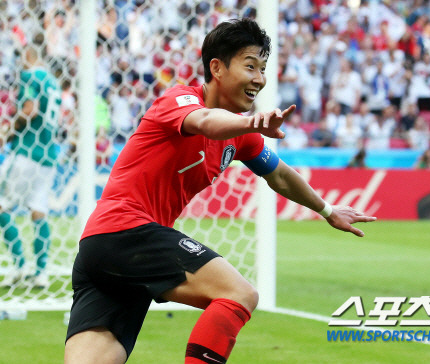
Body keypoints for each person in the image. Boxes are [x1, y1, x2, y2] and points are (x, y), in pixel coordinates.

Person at [64, 19, 376, 364]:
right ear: (217, 67)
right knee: (239, 294)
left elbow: (281, 175)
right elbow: (206, 124)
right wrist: (252, 122)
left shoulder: (241, 134)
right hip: (124, 230)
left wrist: (328, 211)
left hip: (106, 251)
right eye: (250, 66)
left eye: (263, 68)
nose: (259, 78)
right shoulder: (179, 99)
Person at [0, 46, 60, 289]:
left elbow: (29, 109)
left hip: (26, 152)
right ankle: (41, 272)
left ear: (27, 56)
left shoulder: (30, 76)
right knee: (38, 211)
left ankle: (20, 266)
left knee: (1, 206)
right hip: (48, 155)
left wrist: (7, 132)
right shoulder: (52, 81)